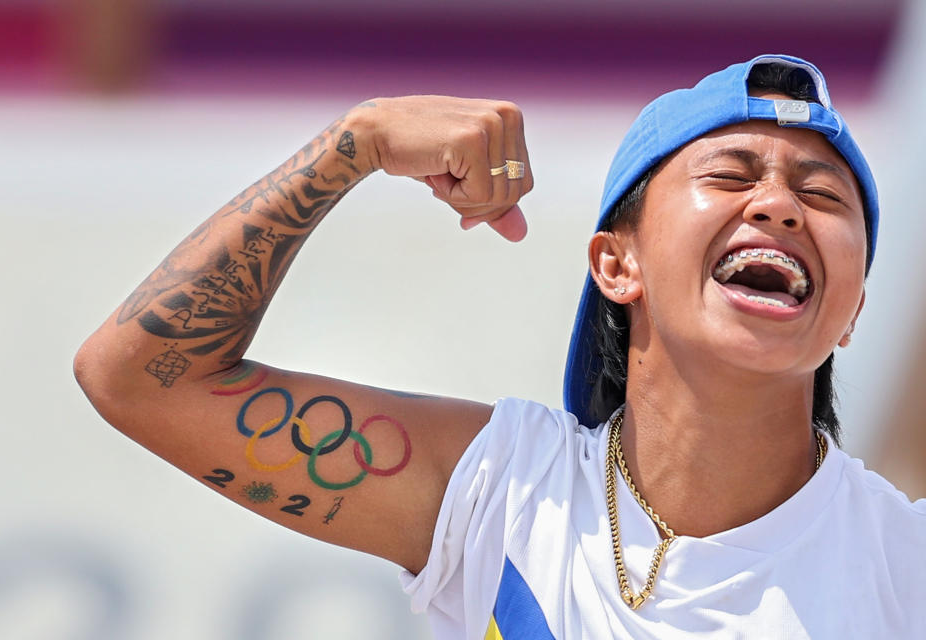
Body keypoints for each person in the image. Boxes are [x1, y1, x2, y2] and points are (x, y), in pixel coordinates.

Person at [74, 54, 926, 638]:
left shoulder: (904, 567)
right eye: (732, 176)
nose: (778, 205)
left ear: (851, 312)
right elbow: (140, 378)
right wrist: (353, 145)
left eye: (822, 195)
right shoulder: (500, 489)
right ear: (615, 263)